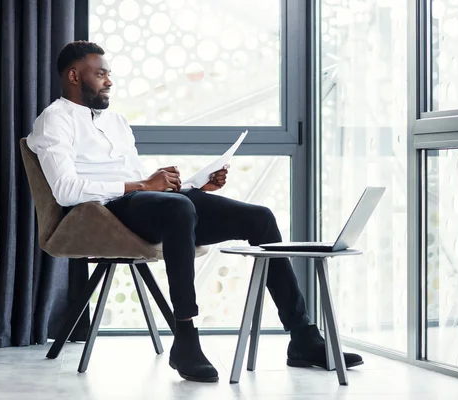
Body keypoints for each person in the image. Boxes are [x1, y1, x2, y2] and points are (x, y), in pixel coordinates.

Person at [27, 41, 362, 383]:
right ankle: (186, 339)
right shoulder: (54, 121)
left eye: (108, 74)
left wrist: (196, 186)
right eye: (100, 74)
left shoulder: (116, 121)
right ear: (73, 75)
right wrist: (145, 186)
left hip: (146, 204)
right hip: (103, 213)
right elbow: (66, 191)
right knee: (177, 208)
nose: (109, 81)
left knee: (260, 218)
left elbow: (144, 183)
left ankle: (302, 336)